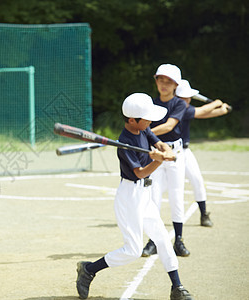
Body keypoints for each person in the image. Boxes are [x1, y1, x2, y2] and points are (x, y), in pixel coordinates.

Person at [76, 93, 193, 300]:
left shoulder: (143, 127)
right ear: (132, 120)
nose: (150, 121)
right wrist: (159, 161)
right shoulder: (124, 143)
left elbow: (157, 142)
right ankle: (89, 270)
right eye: (146, 118)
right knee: (133, 250)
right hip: (130, 196)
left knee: (163, 239)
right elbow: (139, 172)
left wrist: (164, 150)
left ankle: (177, 287)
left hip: (145, 194)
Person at [142, 64, 190, 257]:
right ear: (156, 81)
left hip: (175, 154)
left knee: (176, 196)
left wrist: (144, 132)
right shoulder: (150, 103)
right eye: (160, 79)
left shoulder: (179, 104)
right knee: (153, 198)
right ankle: (153, 240)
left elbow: (170, 125)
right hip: (156, 154)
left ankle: (178, 240)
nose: (164, 84)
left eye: (168, 81)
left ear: (175, 84)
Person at [176, 79, 231, 227]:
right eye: (185, 97)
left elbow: (201, 114)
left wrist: (222, 110)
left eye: (188, 97)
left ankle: (203, 214)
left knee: (197, 181)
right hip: (171, 153)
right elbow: (203, 111)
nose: (188, 99)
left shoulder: (186, 108)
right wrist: (217, 103)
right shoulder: (180, 109)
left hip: (185, 152)